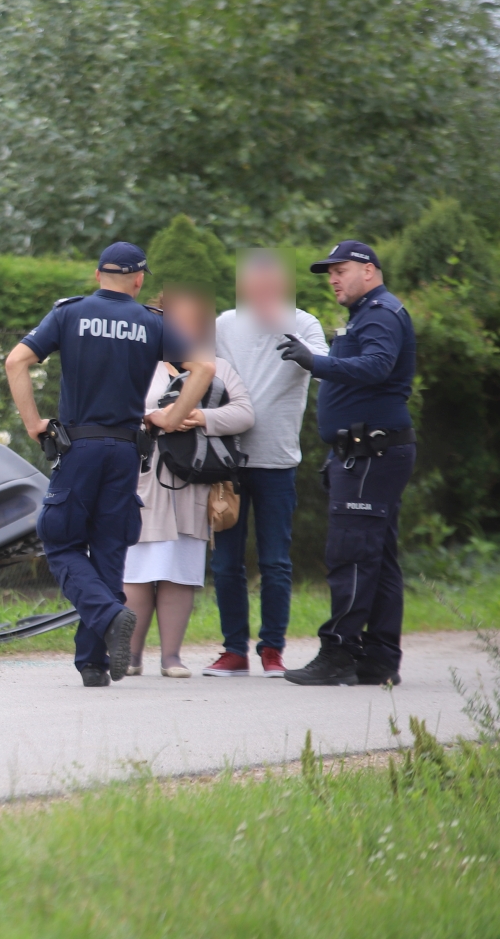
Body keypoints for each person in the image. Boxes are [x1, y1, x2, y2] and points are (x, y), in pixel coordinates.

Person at [6, 242, 215, 687]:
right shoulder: (152, 322)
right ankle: (94, 665)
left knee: (59, 540)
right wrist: (171, 417)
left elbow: (16, 361)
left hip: (78, 449)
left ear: (98, 274)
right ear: (139, 280)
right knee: (108, 552)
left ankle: (108, 616)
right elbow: (203, 368)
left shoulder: (68, 314)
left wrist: (32, 424)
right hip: (126, 452)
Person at [276, 241, 415, 686]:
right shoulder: (369, 313)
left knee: (352, 554)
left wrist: (315, 362)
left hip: (371, 454)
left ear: (370, 271)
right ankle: (378, 659)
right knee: (378, 558)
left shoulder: (379, 313)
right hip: (367, 452)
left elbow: (376, 367)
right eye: (329, 273)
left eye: (341, 270)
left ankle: (338, 653)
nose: (333, 279)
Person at [204, 252, 328, 678]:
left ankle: (272, 649)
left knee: (275, 561)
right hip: (227, 462)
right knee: (225, 563)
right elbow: (201, 372)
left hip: (277, 461)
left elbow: (325, 366)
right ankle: (233, 650)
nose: (260, 293)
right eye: (252, 285)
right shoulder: (222, 325)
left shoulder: (304, 323)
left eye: (268, 285)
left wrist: (294, 339)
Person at [126, 288, 253, 677]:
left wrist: (199, 418)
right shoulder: (137, 362)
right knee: (138, 570)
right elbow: (116, 411)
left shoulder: (217, 366)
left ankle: (172, 658)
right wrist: (156, 417)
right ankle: (129, 657)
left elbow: (245, 414)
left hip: (195, 483)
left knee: (180, 569)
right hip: (145, 479)